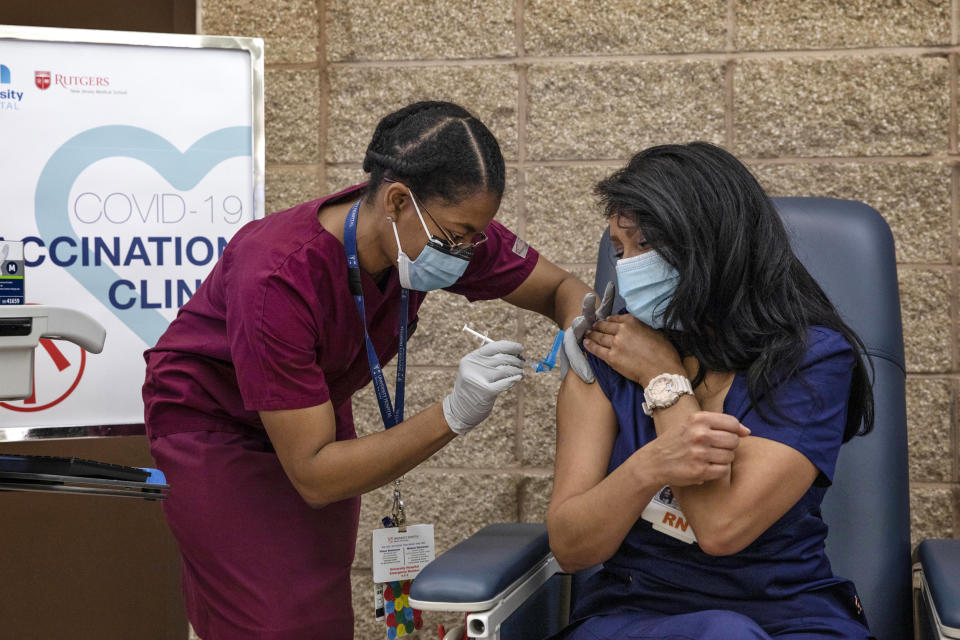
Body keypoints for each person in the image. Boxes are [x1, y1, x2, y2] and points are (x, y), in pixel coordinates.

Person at [142, 101, 595, 640]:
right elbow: (314, 475)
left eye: (478, 236)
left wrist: (578, 325)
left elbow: (561, 288)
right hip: (213, 425)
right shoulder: (278, 275)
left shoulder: (441, 231)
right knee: (275, 623)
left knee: (317, 612)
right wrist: (453, 413)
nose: (469, 251)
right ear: (398, 200)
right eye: (457, 237)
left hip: (312, 409)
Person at [547, 142, 876, 639]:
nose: (627, 267)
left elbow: (720, 528)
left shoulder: (810, 360)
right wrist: (648, 466)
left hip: (789, 615)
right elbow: (571, 548)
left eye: (644, 246)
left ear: (709, 244)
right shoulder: (608, 357)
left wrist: (664, 381)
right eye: (619, 251)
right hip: (637, 614)